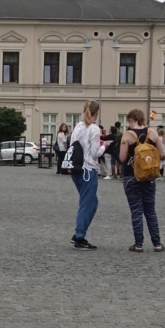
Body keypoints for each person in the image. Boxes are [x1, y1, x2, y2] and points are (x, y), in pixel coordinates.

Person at [118, 108, 165, 253]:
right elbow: (162, 154)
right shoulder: (153, 133)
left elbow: (122, 158)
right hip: (149, 176)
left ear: (131, 119)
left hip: (131, 176)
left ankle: (138, 244)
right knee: (150, 210)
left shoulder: (127, 135)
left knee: (136, 210)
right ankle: (157, 243)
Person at [68, 100, 103, 249]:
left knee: (91, 202)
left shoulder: (78, 126)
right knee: (87, 203)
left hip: (76, 168)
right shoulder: (94, 129)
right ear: (96, 113)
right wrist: (104, 147)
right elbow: (95, 153)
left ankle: (79, 232)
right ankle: (79, 236)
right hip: (88, 169)